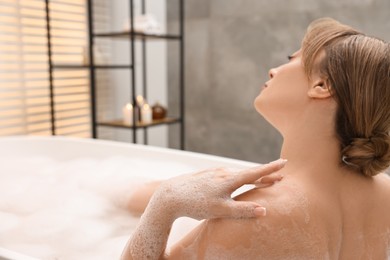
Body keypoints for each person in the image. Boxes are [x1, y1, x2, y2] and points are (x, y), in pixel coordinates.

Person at [121, 18, 390, 259]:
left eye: (291, 59)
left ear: (322, 86)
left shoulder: (257, 213)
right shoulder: (384, 193)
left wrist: (164, 203)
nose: (274, 70)